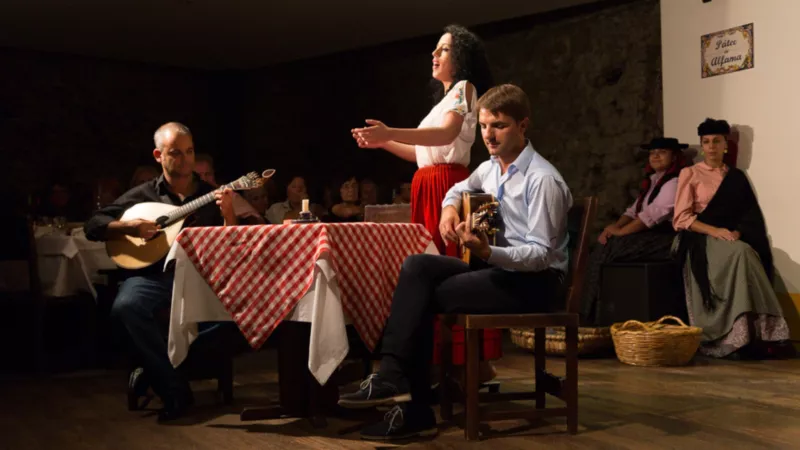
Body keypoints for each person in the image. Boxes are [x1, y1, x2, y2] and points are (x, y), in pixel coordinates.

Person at [340, 84, 572, 440]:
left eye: (499, 125)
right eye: (483, 126)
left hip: (538, 281)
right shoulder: (491, 167)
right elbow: (457, 190)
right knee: (417, 266)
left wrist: (486, 252)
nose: (489, 136)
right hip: (501, 268)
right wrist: (449, 210)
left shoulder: (542, 179)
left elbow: (540, 255)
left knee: (430, 295)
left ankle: (410, 404)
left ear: (523, 126)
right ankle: (394, 379)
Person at [351, 23, 502, 382]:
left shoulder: (465, 88)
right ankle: (441, 360)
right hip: (427, 183)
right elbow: (422, 150)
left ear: (460, 57)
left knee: (447, 267)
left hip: (446, 185)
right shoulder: (444, 99)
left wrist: (390, 131)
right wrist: (383, 142)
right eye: (435, 50)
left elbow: (447, 135)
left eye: (444, 50)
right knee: (428, 269)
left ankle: (468, 361)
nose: (434, 55)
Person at [84, 122, 238, 421]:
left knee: (240, 314)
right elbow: (93, 225)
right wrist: (130, 226)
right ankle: (174, 389)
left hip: (200, 277)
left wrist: (228, 214)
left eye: (190, 152)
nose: (185, 160)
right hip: (152, 275)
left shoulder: (211, 196)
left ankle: (154, 373)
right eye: (175, 153)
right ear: (159, 155)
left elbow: (231, 246)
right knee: (126, 306)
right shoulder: (142, 195)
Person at [673, 118, 790, 359]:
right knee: (741, 253)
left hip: (728, 237)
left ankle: (758, 334)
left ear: (726, 144)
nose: (712, 146)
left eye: (717, 141)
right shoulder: (690, 173)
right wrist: (714, 231)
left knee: (745, 251)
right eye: (706, 142)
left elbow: (748, 215)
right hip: (699, 236)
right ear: (702, 146)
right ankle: (726, 334)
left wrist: (739, 231)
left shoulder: (736, 177)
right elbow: (681, 218)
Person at [581, 137, 690, 325]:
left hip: (667, 240)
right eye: (652, 153)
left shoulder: (675, 183)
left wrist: (621, 233)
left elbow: (653, 215)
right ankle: (591, 312)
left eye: (662, 152)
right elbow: (633, 211)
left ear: (674, 158)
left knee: (612, 247)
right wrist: (614, 228)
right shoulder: (653, 182)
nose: (655, 156)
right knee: (604, 244)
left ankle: (588, 314)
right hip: (650, 235)